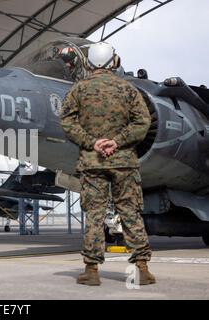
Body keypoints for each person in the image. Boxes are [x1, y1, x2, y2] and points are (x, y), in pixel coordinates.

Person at [60, 42, 155, 286]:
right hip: (124, 162)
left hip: (92, 163)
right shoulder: (128, 89)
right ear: (114, 62)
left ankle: (91, 271)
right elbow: (143, 122)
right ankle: (142, 269)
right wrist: (117, 141)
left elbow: (68, 123)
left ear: (89, 63)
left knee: (94, 214)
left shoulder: (78, 90)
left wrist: (94, 143)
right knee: (130, 212)